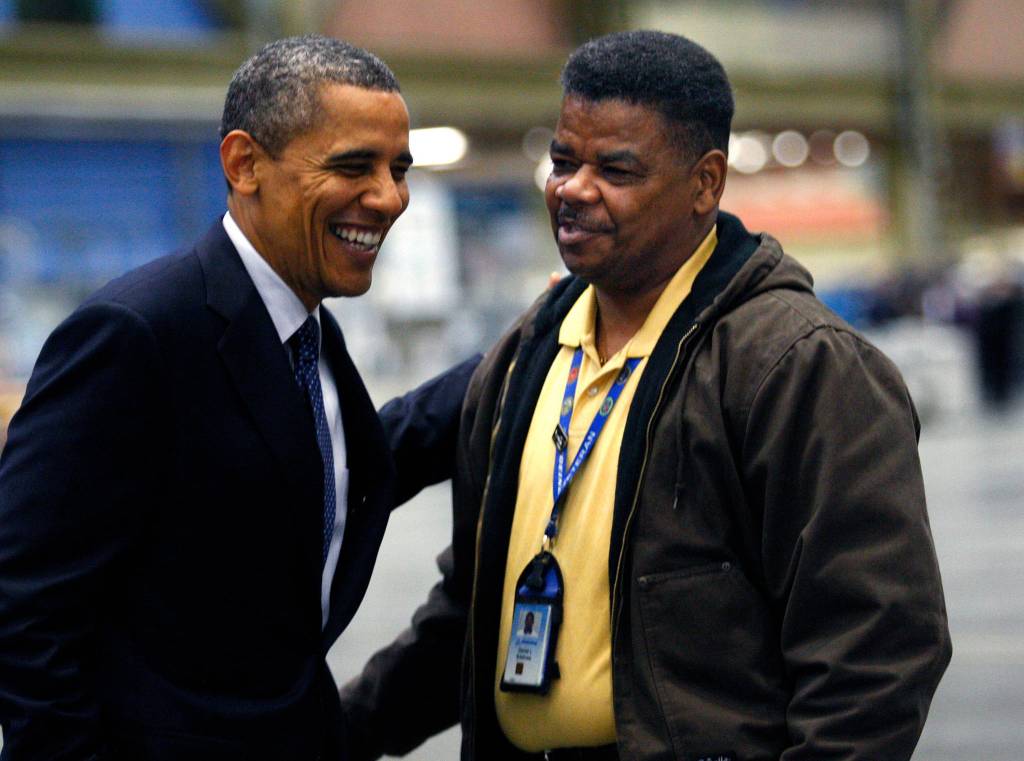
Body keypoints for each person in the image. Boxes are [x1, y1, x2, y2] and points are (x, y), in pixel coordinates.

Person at [339, 30, 952, 761]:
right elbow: (469, 619)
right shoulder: (524, 358)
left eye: (616, 169)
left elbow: (876, 654)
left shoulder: (797, 368)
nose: (573, 187)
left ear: (705, 183)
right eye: (563, 160)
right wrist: (326, 734)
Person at [0, 35, 473, 760]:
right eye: (354, 165)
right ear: (244, 164)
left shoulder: (309, 337)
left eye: (398, 169)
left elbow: (335, 472)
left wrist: (540, 340)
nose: (389, 197)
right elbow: (24, 609)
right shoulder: (137, 335)